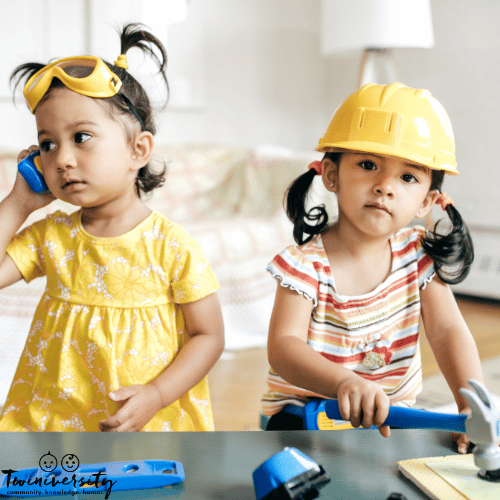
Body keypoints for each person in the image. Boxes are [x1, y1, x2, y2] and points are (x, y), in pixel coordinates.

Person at [0, 23, 224, 432]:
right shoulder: (52, 235)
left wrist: (157, 394)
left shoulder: (172, 246)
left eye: (81, 137)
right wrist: (18, 204)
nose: (62, 159)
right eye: (47, 144)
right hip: (55, 422)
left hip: (143, 420)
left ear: (138, 150)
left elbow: (208, 336)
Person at [262, 82, 484, 454]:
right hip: (307, 417)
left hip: (393, 418)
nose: (384, 186)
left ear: (427, 201)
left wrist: (470, 403)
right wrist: (343, 382)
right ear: (331, 175)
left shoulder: (418, 255)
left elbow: (448, 330)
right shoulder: (303, 265)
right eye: (368, 166)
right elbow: (283, 347)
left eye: (408, 177)